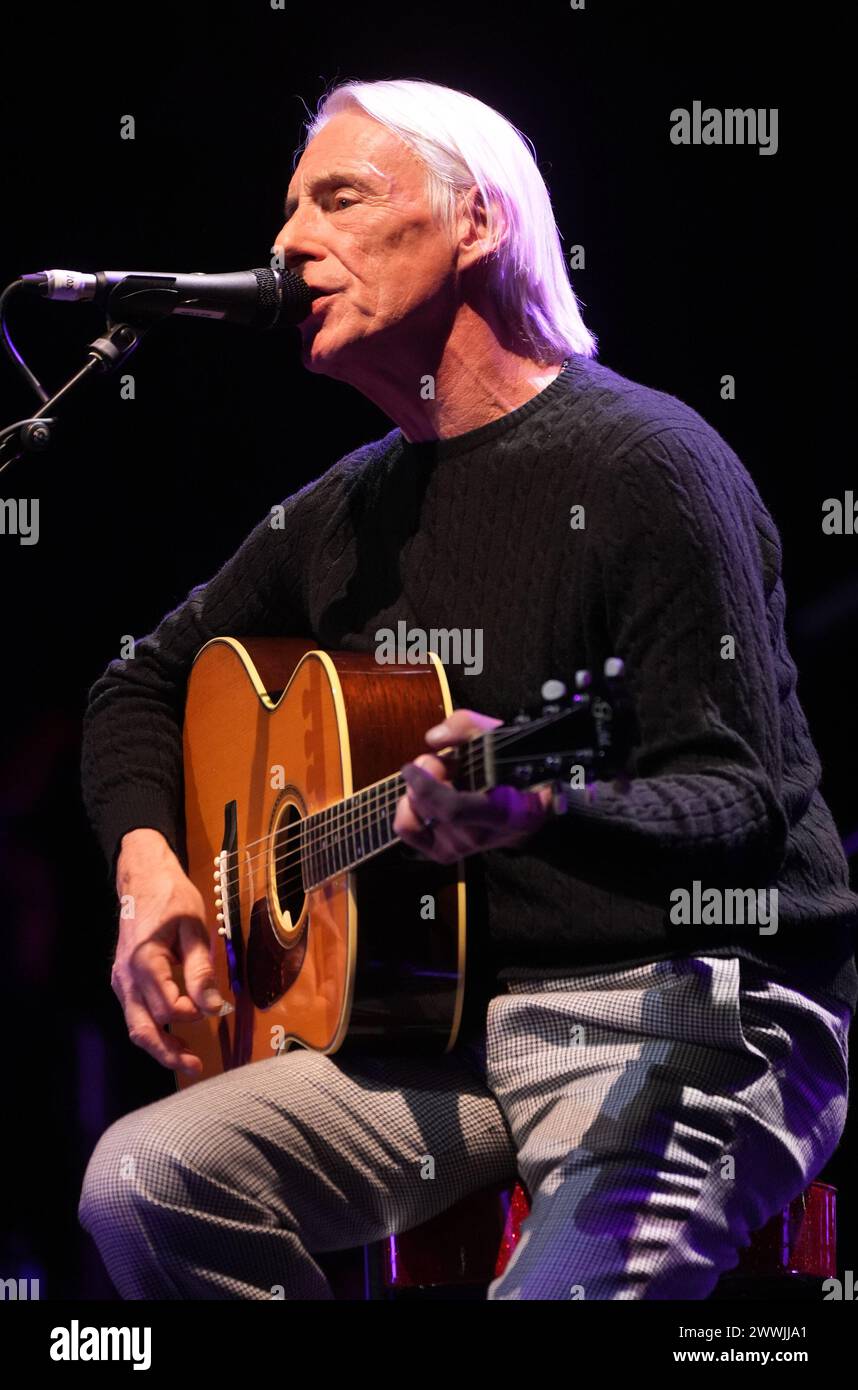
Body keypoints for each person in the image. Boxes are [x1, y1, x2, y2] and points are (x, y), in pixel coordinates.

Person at [78, 78, 856, 1300]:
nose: (286, 243)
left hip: (691, 1014)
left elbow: (737, 801)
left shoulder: (652, 467)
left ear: (476, 224)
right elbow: (138, 680)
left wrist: (546, 812)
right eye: (288, 211)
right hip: (453, 1034)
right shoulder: (342, 510)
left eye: (339, 198)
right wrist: (149, 870)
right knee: (147, 1181)